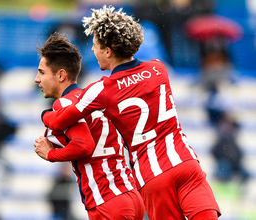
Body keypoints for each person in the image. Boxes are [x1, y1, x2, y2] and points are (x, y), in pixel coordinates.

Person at [41, 5, 221, 220]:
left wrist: (46, 115)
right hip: (185, 161)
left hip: (153, 173)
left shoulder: (101, 89)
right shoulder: (157, 68)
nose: (92, 50)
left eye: (96, 45)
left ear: (108, 51)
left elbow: (60, 120)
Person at [34, 32, 145, 220]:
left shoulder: (65, 104)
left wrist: (50, 154)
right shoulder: (94, 100)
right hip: (131, 195)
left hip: (107, 200)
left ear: (61, 75)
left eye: (42, 72)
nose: (37, 79)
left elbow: (83, 146)